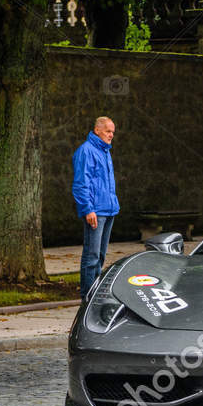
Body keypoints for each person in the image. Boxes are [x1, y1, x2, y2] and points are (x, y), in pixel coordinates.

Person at [72, 116, 120, 297]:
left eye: (113, 132)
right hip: (96, 211)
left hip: (108, 209)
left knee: (99, 256)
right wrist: (87, 209)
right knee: (91, 256)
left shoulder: (104, 151)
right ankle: (87, 296)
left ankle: (94, 293)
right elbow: (81, 183)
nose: (111, 135)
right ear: (97, 130)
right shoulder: (86, 151)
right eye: (108, 131)